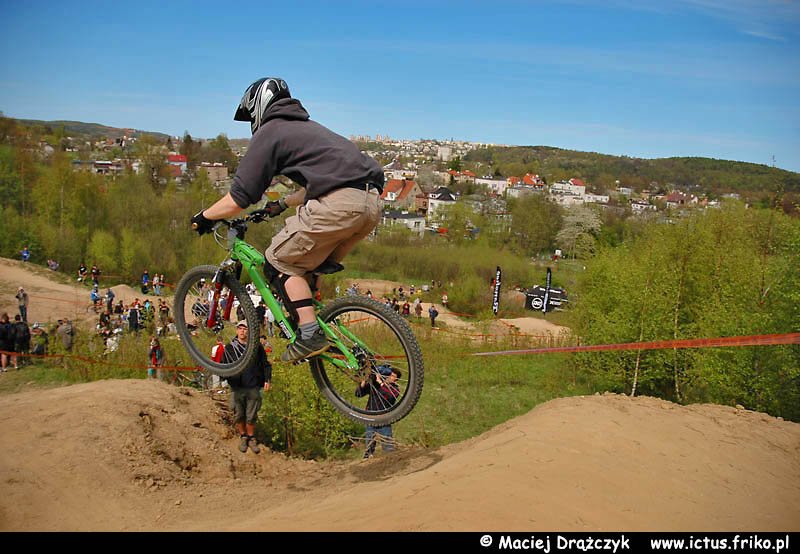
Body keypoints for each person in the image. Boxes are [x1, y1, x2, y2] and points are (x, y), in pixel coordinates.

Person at [191, 77, 384, 363]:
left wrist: (204, 217)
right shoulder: (310, 129)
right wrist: (280, 204)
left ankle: (310, 334)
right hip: (371, 204)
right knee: (306, 267)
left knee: (278, 261)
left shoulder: (271, 131)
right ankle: (317, 324)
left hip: (339, 206)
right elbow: (326, 184)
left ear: (258, 106)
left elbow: (239, 198)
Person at [222, 320, 272, 454]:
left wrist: (267, 379)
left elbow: (266, 364)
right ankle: (243, 437)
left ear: (249, 331)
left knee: (251, 415)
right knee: (239, 414)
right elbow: (223, 365)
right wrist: (224, 378)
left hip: (253, 386)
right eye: (240, 328)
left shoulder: (256, 347)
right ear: (236, 330)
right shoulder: (230, 348)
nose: (242, 331)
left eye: (245, 329)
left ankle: (251, 438)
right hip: (237, 387)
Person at [355, 366, 401, 460]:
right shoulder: (375, 385)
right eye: (389, 375)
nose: (389, 377)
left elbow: (389, 396)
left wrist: (380, 382)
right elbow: (358, 394)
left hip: (384, 418)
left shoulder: (395, 389)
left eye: (392, 376)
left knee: (387, 442)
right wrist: (364, 381)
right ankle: (368, 458)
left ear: (396, 380)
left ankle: (390, 459)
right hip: (371, 416)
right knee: (369, 440)